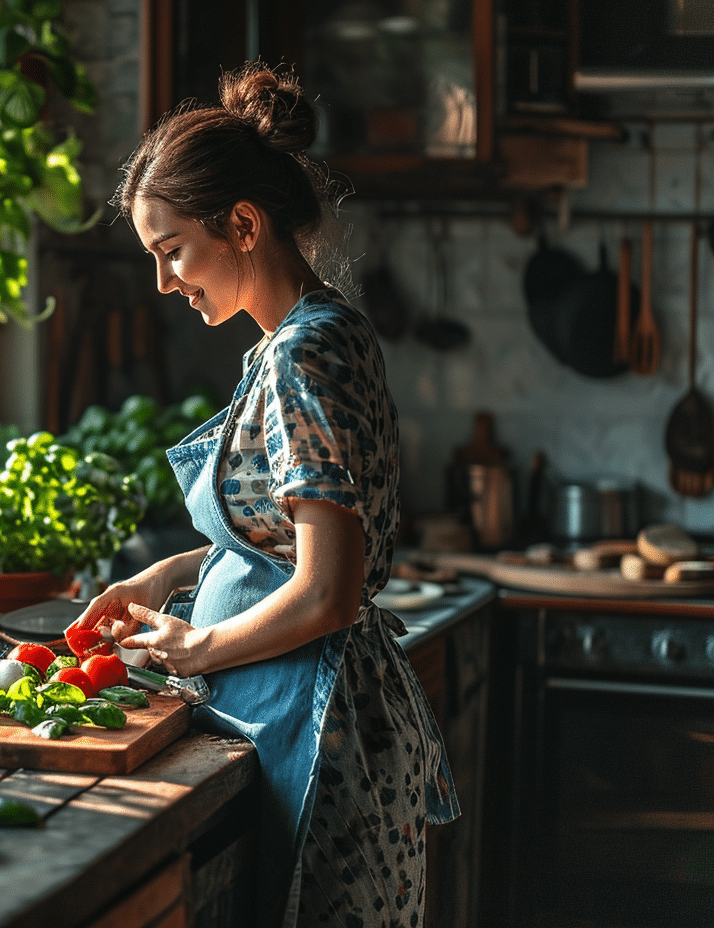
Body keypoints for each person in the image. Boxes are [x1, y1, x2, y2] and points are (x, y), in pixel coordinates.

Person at [71, 63, 459, 928]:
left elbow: (328, 591)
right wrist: (166, 578)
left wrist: (194, 647)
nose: (165, 283)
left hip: (320, 735)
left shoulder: (301, 357)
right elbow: (282, 542)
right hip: (302, 717)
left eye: (171, 251)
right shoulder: (310, 336)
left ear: (241, 223)